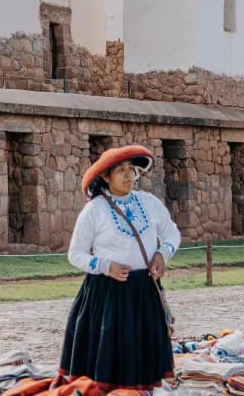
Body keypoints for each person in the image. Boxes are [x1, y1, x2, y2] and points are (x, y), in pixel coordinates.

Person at [61, 144, 180, 391]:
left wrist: (162, 253)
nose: (129, 175)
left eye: (131, 170)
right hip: (107, 294)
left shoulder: (149, 203)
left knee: (141, 350)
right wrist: (105, 266)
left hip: (143, 291)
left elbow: (172, 233)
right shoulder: (95, 210)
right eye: (121, 170)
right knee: (111, 353)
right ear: (106, 176)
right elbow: (76, 254)